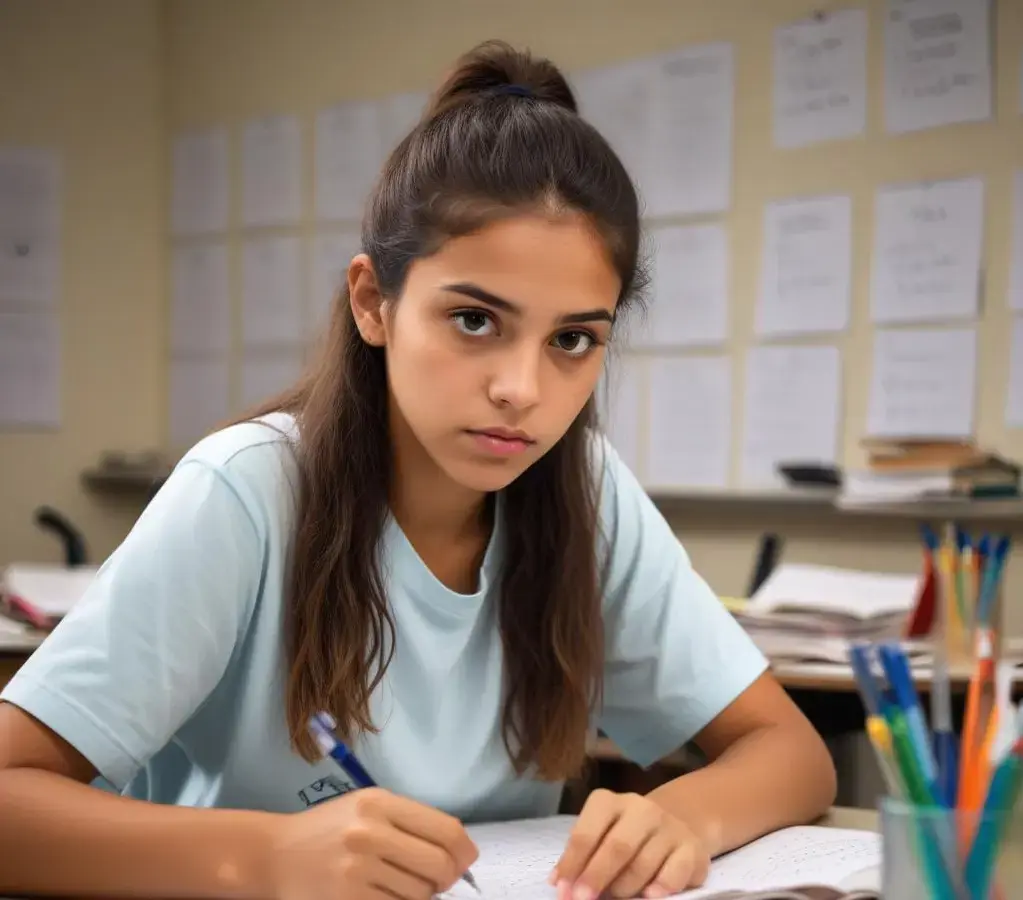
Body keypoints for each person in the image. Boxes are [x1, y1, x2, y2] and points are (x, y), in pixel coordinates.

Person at [0, 39, 836, 900]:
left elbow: (790, 754)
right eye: (475, 321)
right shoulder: (247, 491)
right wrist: (264, 859)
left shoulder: (583, 489)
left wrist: (684, 816)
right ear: (373, 303)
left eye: (573, 340)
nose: (522, 390)